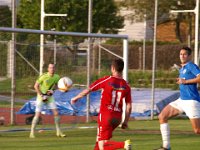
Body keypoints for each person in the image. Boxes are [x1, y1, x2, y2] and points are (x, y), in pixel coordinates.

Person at [71, 59, 132, 150]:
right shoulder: (126, 85)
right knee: (99, 142)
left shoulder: (106, 80)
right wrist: (125, 121)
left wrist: (76, 97)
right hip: (117, 118)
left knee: (103, 145)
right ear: (122, 69)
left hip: (106, 115)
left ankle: (124, 144)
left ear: (113, 68)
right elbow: (129, 106)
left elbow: (89, 89)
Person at [155, 47, 200, 150]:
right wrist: (181, 81)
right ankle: (166, 146)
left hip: (191, 101)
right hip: (182, 100)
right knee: (162, 116)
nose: (182, 56)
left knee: (197, 130)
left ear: (189, 56)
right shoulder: (182, 68)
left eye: (184, 54)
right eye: (180, 54)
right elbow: (185, 79)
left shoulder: (191, 66)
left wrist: (185, 82)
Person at [29, 63, 65, 138]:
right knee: (37, 114)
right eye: (50, 68)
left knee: (56, 113)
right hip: (40, 97)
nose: (52, 69)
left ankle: (58, 131)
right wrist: (42, 95)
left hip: (50, 97)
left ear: (55, 69)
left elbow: (57, 86)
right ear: (48, 69)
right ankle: (32, 132)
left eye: (53, 68)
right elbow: (35, 86)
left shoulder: (57, 77)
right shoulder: (43, 76)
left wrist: (53, 91)